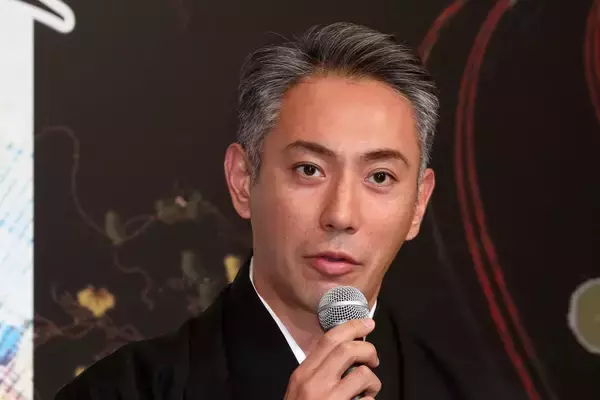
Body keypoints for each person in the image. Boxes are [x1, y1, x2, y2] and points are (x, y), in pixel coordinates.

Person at [54, 22, 525, 400]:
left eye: (380, 177)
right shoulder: (122, 390)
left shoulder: (466, 391)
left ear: (419, 203)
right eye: (309, 170)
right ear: (243, 180)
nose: (341, 214)